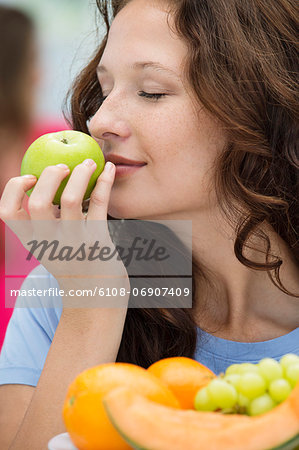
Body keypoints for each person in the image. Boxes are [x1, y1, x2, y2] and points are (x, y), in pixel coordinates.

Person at [0, 0, 298, 447]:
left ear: (260, 109)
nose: (99, 121)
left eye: (152, 91)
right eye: (104, 89)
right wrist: (91, 305)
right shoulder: (61, 288)